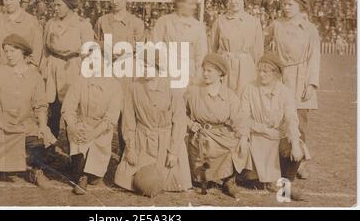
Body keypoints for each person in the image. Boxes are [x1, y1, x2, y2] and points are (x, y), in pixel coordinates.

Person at [0, 34, 57, 188]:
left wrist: (43, 126)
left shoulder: (35, 76)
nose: (9, 55)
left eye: (13, 51)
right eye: (6, 51)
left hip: (23, 126)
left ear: (23, 52)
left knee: (42, 139)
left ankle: (36, 171)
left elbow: (40, 106)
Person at [114, 50, 192, 194]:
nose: (142, 70)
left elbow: (180, 123)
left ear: (158, 67)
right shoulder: (133, 88)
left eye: (146, 66)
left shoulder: (173, 89)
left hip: (166, 142)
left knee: (171, 183)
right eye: (140, 66)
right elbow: (128, 121)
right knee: (134, 182)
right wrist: (130, 148)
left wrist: (173, 152)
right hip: (142, 140)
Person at [264, 0, 320, 179]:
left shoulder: (310, 29)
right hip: (280, 77)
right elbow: (263, 43)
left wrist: (311, 84)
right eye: (284, 4)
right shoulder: (276, 25)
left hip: (301, 79)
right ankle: (278, 161)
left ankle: (299, 162)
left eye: (291, 5)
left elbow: (315, 58)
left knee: (300, 123)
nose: (286, 8)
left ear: (300, 7)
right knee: (279, 119)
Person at [240, 52, 310, 200]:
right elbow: (244, 118)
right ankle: (258, 177)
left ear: (276, 74)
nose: (261, 74)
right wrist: (264, 130)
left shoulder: (285, 92)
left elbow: (291, 119)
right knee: (252, 181)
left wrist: (296, 145)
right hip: (256, 138)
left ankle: (286, 185)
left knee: (295, 141)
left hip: (277, 137)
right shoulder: (249, 89)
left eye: (265, 71)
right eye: (259, 70)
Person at [185, 53, 252, 198]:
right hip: (200, 137)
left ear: (220, 73)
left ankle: (228, 181)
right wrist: (190, 124)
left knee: (235, 145)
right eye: (204, 70)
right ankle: (202, 180)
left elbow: (240, 119)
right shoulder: (193, 92)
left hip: (222, 136)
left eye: (210, 71)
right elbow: (180, 113)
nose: (205, 73)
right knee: (199, 154)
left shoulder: (230, 95)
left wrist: (243, 137)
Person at [61, 52, 123, 195]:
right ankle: (80, 173)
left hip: (100, 131)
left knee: (95, 177)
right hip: (81, 127)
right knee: (80, 166)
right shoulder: (80, 81)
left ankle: (90, 172)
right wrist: (73, 127)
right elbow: (68, 108)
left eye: (97, 59)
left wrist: (93, 133)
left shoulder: (115, 86)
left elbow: (111, 118)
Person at [94, 0, 145, 156]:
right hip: (107, 71)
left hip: (126, 73)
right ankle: (99, 158)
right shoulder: (102, 21)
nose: (114, 2)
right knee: (103, 113)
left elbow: (140, 49)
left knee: (126, 115)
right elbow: (96, 43)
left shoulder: (136, 23)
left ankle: (125, 154)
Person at [40, 0, 95, 138]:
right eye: (54, 5)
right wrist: (43, 71)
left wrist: (86, 76)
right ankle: (49, 147)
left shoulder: (83, 24)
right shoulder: (50, 23)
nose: (55, 9)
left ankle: (74, 154)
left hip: (73, 67)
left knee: (72, 110)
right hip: (53, 69)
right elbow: (45, 49)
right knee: (52, 110)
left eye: (59, 5)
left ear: (69, 6)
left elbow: (89, 52)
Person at [210, 0, 264, 95]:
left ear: (243, 1)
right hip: (225, 66)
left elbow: (258, 52)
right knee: (224, 98)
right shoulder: (220, 21)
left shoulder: (254, 22)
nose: (233, 1)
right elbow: (212, 49)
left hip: (246, 68)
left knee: (244, 99)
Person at [151, 0, 208, 85]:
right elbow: (154, 48)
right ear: (179, 3)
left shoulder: (198, 26)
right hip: (166, 73)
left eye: (195, 4)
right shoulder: (164, 22)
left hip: (188, 75)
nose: (194, 7)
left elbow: (201, 55)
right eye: (191, 4)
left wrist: (197, 78)